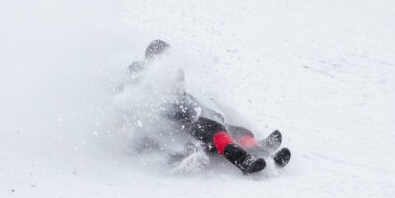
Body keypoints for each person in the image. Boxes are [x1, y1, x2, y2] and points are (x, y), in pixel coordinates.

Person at [119, 39, 290, 174]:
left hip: (191, 120)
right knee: (216, 129)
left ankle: (264, 154)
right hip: (177, 131)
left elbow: (185, 99)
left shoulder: (177, 87)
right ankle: (244, 161)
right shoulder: (142, 73)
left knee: (239, 131)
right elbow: (136, 97)